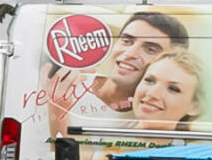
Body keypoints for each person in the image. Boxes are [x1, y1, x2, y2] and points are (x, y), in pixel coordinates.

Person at [48, 9, 190, 139]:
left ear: (168, 62)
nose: (130, 54)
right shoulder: (64, 80)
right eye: (127, 41)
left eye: (150, 49)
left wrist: (58, 107)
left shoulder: (145, 123)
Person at [127, 47, 206, 132]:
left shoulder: (200, 145)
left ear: (195, 107)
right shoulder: (112, 134)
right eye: (149, 80)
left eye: (173, 89)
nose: (152, 94)